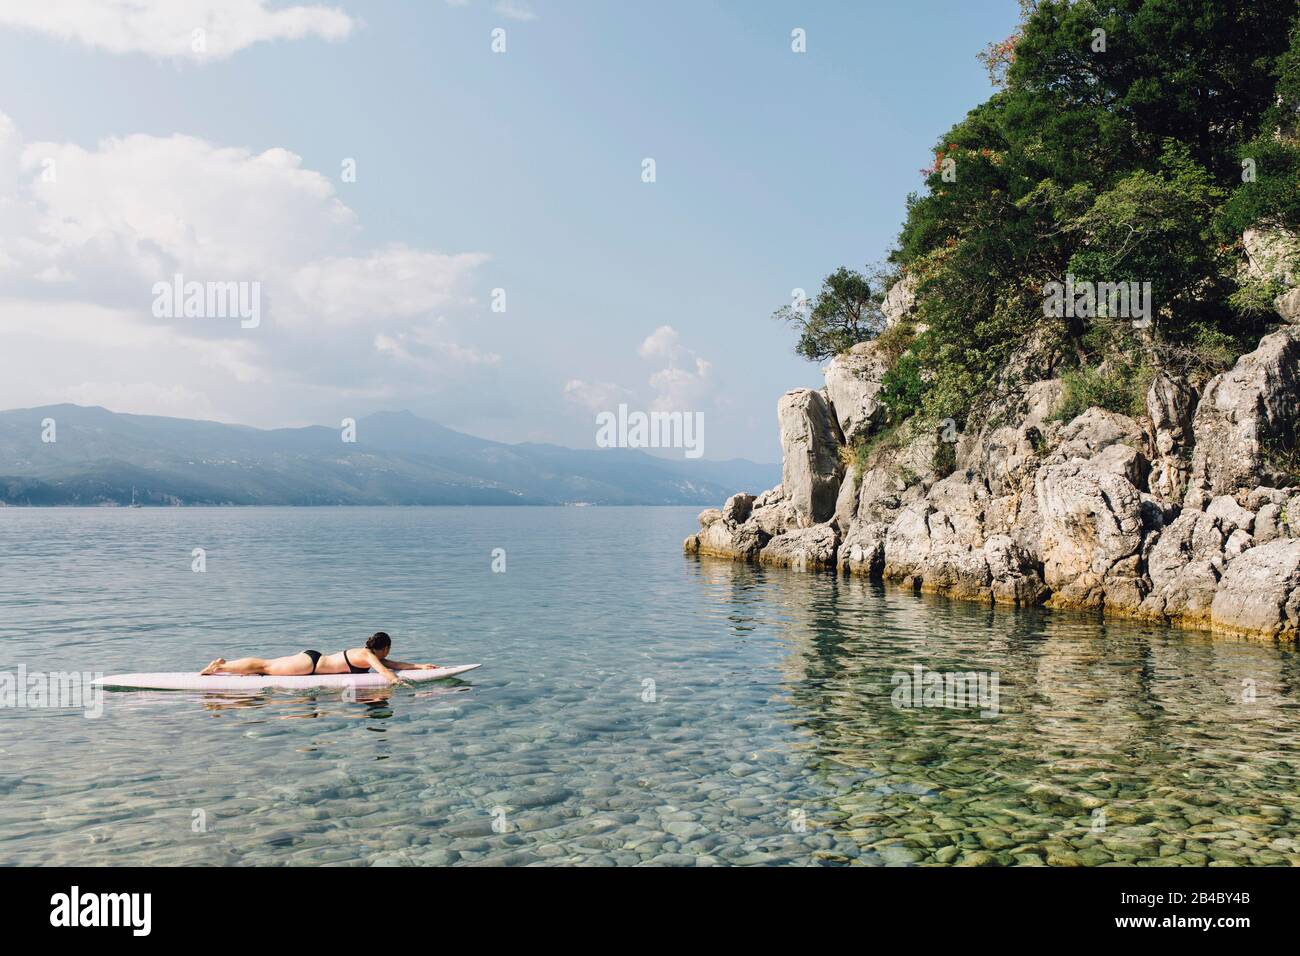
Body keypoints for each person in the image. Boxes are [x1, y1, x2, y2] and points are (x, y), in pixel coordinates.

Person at [199, 632, 438, 686]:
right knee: (266, 667)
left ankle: (224, 665)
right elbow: (386, 671)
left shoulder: (369, 655)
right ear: (384, 647)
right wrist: (398, 683)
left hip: (311, 663)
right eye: (389, 649)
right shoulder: (367, 656)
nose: (389, 653)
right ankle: (221, 666)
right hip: (310, 665)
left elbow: (392, 665)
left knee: (267, 666)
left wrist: (420, 667)